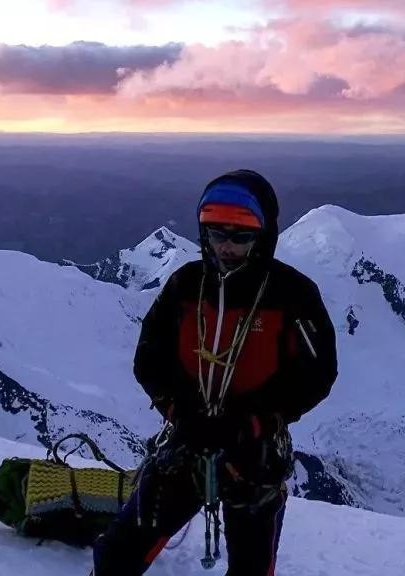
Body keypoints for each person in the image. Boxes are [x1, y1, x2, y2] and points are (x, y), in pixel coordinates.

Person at [93, 169, 338, 576]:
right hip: (189, 440)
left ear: (263, 235)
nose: (226, 247)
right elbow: (150, 356)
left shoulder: (292, 295)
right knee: (119, 552)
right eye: (215, 234)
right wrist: (181, 410)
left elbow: (317, 373)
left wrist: (252, 420)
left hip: (252, 453)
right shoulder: (185, 286)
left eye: (240, 237)